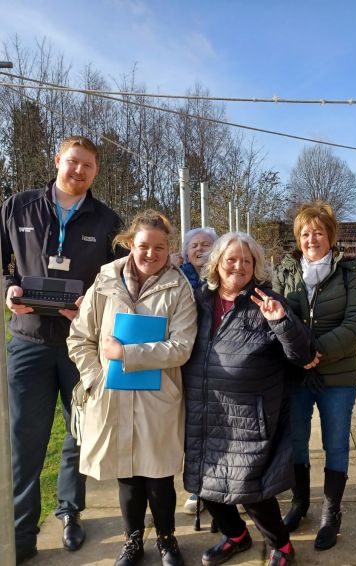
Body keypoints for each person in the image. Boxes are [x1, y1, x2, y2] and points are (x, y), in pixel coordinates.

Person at [0, 136, 124, 564]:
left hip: (80, 347)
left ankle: (70, 513)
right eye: (73, 162)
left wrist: (92, 308)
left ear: (96, 172)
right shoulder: (18, 207)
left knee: (79, 434)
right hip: (29, 342)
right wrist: (7, 288)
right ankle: (22, 527)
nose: (79, 171)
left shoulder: (108, 219)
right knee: (25, 438)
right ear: (57, 161)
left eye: (88, 166)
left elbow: (119, 279)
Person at [67, 210, 197, 566]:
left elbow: (182, 346)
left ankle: (167, 540)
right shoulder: (106, 282)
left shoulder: (179, 287)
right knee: (126, 476)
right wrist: (95, 378)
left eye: (159, 247)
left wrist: (126, 353)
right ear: (129, 244)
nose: (151, 254)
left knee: (158, 476)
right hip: (113, 396)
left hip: (158, 397)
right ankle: (133, 540)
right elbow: (80, 337)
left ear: (169, 249)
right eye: (143, 246)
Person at [182, 232, 313, 566]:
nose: (238, 266)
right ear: (217, 263)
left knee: (250, 489)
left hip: (248, 415)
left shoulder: (266, 302)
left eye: (246, 260)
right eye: (231, 259)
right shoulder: (197, 300)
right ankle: (236, 536)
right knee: (205, 484)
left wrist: (280, 322)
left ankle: (280, 545)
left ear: (255, 266)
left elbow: (303, 354)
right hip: (204, 410)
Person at [272, 201, 356, 551]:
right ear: (299, 238)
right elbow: (276, 318)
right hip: (296, 376)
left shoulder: (348, 274)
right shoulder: (285, 273)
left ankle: (331, 513)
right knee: (296, 442)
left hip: (338, 376)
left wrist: (318, 351)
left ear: (330, 236)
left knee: (336, 444)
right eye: (305, 232)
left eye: (319, 232)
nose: (312, 238)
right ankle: (299, 504)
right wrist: (300, 354)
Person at [177, 226, 218, 516]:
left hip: (218, 359)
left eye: (206, 244)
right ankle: (196, 488)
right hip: (187, 360)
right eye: (195, 245)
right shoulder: (176, 277)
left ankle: (226, 484)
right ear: (186, 251)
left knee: (221, 424)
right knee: (193, 427)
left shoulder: (223, 274)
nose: (200, 248)